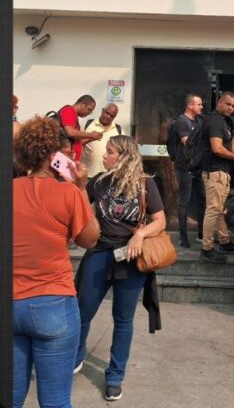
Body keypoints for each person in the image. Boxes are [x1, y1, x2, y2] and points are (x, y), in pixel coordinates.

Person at [13, 117, 100, 408]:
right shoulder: (69, 193)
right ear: (55, 156)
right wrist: (82, 187)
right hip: (53, 302)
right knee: (55, 402)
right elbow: (90, 239)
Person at [75, 135, 166, 402]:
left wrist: (140, 235)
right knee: (82, 311)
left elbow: (160, 221)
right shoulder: (100, 181)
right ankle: (76, 356)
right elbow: (81, 207)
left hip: (130, 258)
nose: (105, 156)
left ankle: (115, 376)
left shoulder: (145, 184)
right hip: (100, 253)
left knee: (123, 320)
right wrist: (80, 185)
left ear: (124, 156)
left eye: (110, 152)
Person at [200, 92, 234, 263]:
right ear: (219, 102)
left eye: (233, 106)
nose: (230, 108)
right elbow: (217, 148)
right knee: (213, 210)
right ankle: (207, 248)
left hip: (221, 171)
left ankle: (224, 241)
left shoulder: (223, 121)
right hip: (215, 170)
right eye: (228, 104)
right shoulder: (216, 121)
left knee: (220, 209)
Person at [166, 93, 204, 248]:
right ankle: (183, 237)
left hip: (198, 166)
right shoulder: (181, 122)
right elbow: (187, 142)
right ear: (190, 105)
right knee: (184, 202)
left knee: (202, 200)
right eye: (199, 104)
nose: (201, 107)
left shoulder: (198, 121)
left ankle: (202, 233)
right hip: (185, 166)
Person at [57, 95, 104, 162]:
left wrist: (92, 138)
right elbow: (70, 132)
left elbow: (76, 142)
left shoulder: (74, 115)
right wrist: (90, 135)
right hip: (65, 160)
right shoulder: (68, 110)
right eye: (89, 109)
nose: (89, 113)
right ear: (82, 104)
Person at [82, 103, 123, 177]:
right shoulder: (87, 124)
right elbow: (77, 143)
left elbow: (124, 150)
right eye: (107, 113)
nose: (108, 117)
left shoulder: (118, 130)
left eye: (112, 116)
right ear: (102, 111)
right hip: (88, 175)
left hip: (108, 176)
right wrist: (90, 137)